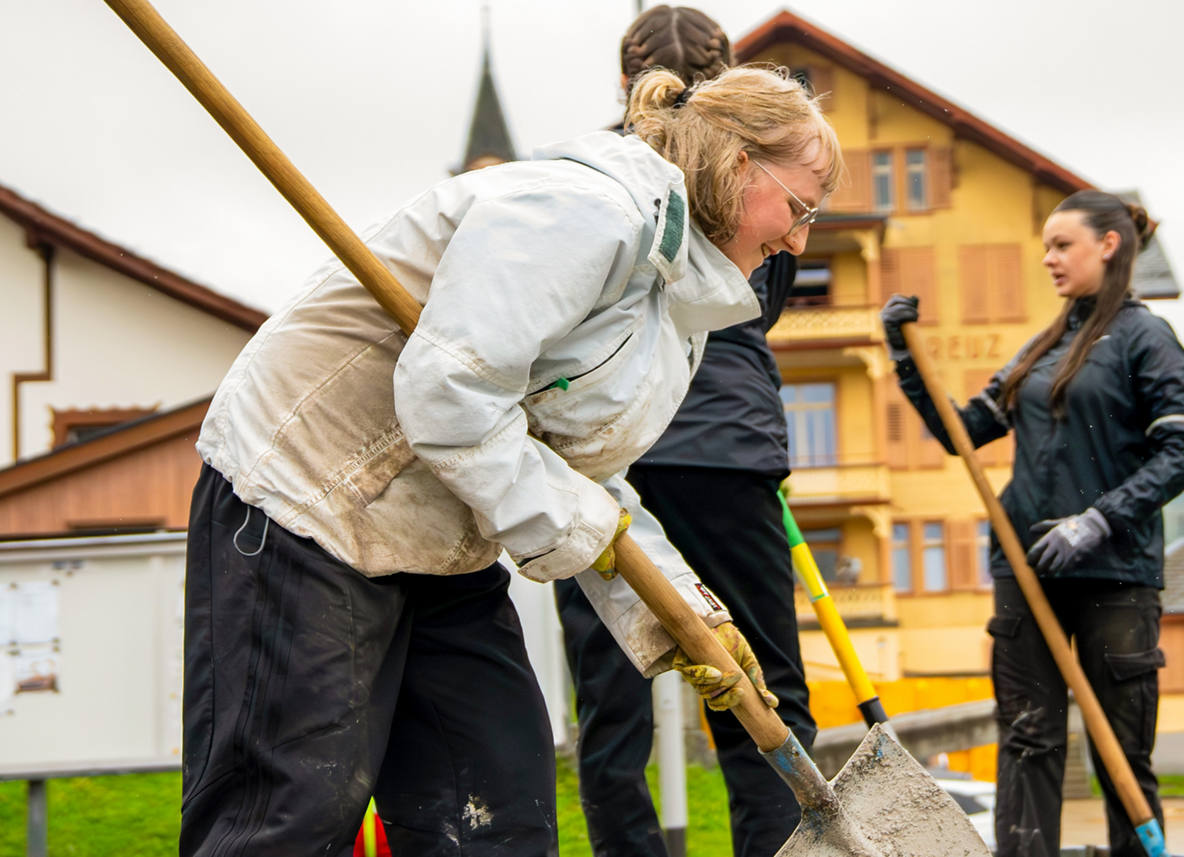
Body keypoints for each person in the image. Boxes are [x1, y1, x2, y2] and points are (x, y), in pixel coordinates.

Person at [180, 64, 840, 856]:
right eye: (799, 208)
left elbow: (580, 474)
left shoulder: (674, 304)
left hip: (438, 534)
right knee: (288, 815)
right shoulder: (579, 212)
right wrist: (584, 528)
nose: (798, 240)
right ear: (738, 166)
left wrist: (686, 608)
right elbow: (450, 392)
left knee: (496, 814)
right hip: (309, 498)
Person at [554, 8, 818, 857]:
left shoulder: (588, 165)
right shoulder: (757, 169)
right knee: (762, 682)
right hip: (721, 447)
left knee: (611, 693)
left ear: (621, 80)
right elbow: (760, 299)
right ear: (736, 73)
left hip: (603, 446)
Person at [880, 190, 1184, 857]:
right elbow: (962, 433)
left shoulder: (1147, 339)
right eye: (1046, 246)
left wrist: (1097, 520)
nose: (1049, 259)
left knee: (1121, 750)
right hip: (1027, 573)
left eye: (1063, 245)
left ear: (1107, 246)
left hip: (1116, 576)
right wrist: (906, 358)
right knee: (1028, 742)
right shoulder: (1043, 347)